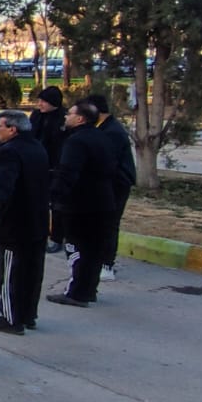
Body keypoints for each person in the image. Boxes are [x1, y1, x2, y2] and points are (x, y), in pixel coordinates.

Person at [0, 111, 49, 335]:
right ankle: (28, 315)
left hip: (15, 224)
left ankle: (11, 319)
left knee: (9, 272)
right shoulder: (37, 147)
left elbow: (3, 186)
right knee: (32, 271)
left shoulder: (9, 151)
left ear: (12, 129)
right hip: (37, 220)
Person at [47, 99, 117, 308]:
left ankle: (76, 293)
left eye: (69, 113)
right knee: (94, 250)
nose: (65, 116)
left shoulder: (76, 141)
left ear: (80, 119)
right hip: (103, 201)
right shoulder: (102, 137)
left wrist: (54, 196)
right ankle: (88, 290)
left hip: (80, 204)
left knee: (77, 248)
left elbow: (68, 173)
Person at [88, 93, 135, 282]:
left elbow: (107, 163)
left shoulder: (112, 132)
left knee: (109, 223)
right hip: (106, 183)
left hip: (116, 184)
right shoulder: (101, 127)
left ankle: (107, 265)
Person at [30, 86, 66, 253]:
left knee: (57, 205)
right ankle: (39, 234)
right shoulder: (36, 116)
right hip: (37, 165)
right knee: (38, 203)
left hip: (56, 167)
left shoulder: (64, 119)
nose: (40, 104)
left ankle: (57, 237)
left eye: (43, 101)